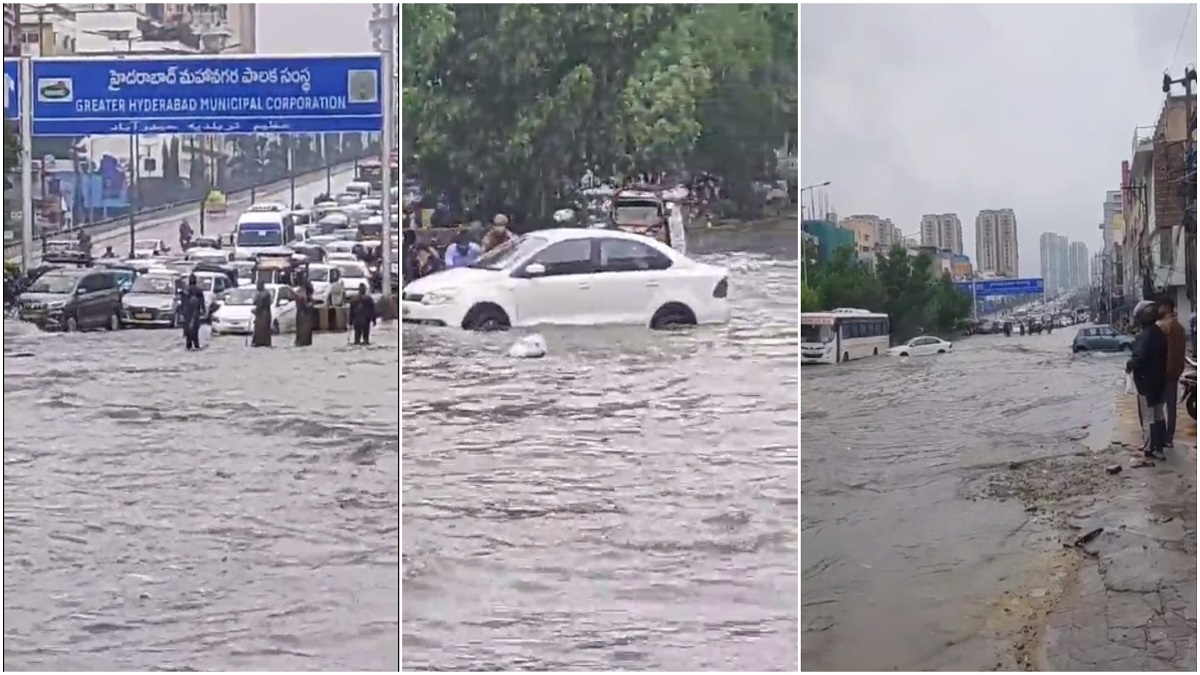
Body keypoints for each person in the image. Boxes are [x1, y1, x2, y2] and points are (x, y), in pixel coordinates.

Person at [1127, 299, 1169, 460]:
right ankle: (1160, 446)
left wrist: (1129, 365)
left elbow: (1138, 359)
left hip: (1146, 383)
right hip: (1160, 381)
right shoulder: (1159, 333)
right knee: (1159, 415)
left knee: (1148, 417)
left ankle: (1149, 448)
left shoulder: (1143, 336)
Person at [1157, 295, 1187, 448]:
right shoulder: (1180, 327)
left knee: (1158, 405)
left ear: (1167, 307)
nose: (1159, 309)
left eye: (1161, 307)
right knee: (1171, 406)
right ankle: (1169, 437)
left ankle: (1160, 436)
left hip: (1164, 372)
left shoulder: (1163, 326)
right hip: (1176, 371)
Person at [179, 274, 206, 350]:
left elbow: (182, 302)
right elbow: (202, 302)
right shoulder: (199, 291)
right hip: (195, 312)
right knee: (195, 329)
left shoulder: (186, 290)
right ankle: (196, 344)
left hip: (187, 313)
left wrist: (181, 313)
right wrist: (204, 311)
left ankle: (189, 345)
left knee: (188, 330)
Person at [294, 272, 315, 347]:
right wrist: (311, 304)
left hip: (301, 316)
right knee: (304, 336)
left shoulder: (300, 291)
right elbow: (305, 304)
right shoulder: (301, 292)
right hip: (304, 316)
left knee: (303, 336)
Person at [251, 280, 273, 347]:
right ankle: (261, 342)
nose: (257, 286)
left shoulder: (264, 294)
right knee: (259, 329)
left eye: (258, 285)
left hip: (264, 315)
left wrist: (255, 311)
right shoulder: (261, 293)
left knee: (262, 329)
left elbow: (259, 304)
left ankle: (261, 342)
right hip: (261, 315)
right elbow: (255, 302)